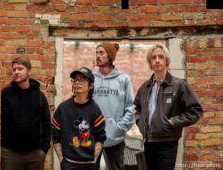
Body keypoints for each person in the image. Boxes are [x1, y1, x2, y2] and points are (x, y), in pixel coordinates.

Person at [134, 44, 203, 170]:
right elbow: (136, 108)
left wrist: (173, 122)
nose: (157, 60)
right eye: (153, 57)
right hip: (148, 142)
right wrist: (140, 124)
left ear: (167, 61)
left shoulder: (179, 85)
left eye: (161, 57)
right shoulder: (145, 87)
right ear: (150, 63)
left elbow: (195, 110)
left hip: (168, 143)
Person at [1, 57, 51, 170]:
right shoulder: (5, 94)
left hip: (35, 154)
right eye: (14, 69)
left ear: (29, 71)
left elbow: (47, 122)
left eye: (20, 69)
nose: (16, 72)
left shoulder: (39, 96)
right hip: (10, 154)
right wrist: (4, 147)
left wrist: (44, 148)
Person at [52, 67, 106, 170]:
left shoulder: (95, 110)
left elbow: (101, 137)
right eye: (75, 79)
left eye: (82, 79)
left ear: (91, 85)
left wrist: (94, 160)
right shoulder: (63, 108)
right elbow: (55, 136)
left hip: (90, 165)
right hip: (69, 164)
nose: (77, 82)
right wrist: (62, 160)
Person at [93, 42, 135, 170]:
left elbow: (131, 108)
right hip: (93, 137)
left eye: (101, 53)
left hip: (116, 138)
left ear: (110, 56)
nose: (98, 56)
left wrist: (119, 128)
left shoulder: (123, 79)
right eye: (96, 53)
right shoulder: (91, 78)